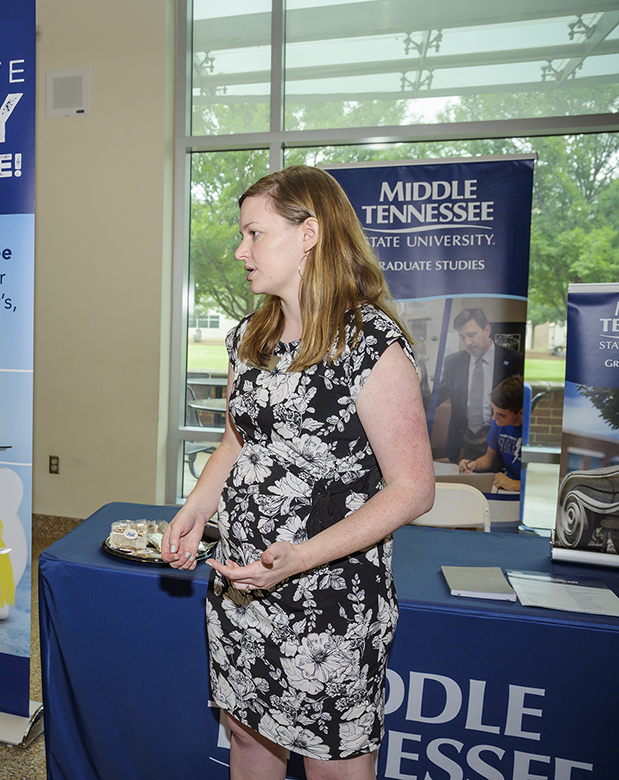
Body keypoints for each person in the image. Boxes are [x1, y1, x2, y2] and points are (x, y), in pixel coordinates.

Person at [162, 165, 435, 780]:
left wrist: (303, 556)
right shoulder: (249, 337)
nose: (240, 250)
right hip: (242, 585)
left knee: (334, 766)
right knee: (249, 744)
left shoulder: (370, 343)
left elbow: (414, 489)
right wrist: (198, 506)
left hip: (329, 598)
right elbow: (239, 435)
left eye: (254, 234)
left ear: (309, 232)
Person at [437, 307, 524, 464]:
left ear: (487, 330)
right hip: (462, 440)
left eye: (471, 335)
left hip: (498, 439)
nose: (467, 343)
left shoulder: (514, 360)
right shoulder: (452, 362)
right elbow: (438, 395)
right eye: (462, 337)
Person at [459, 374, 524, 492]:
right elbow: (489, 459)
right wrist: (474, 465)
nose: (494, 418)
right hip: (505, 488)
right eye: (493, 411)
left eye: (501, 414)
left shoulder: (534, 432)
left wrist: (517, 484)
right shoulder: (498, 423)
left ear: (521, 412)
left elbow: (546, 484)